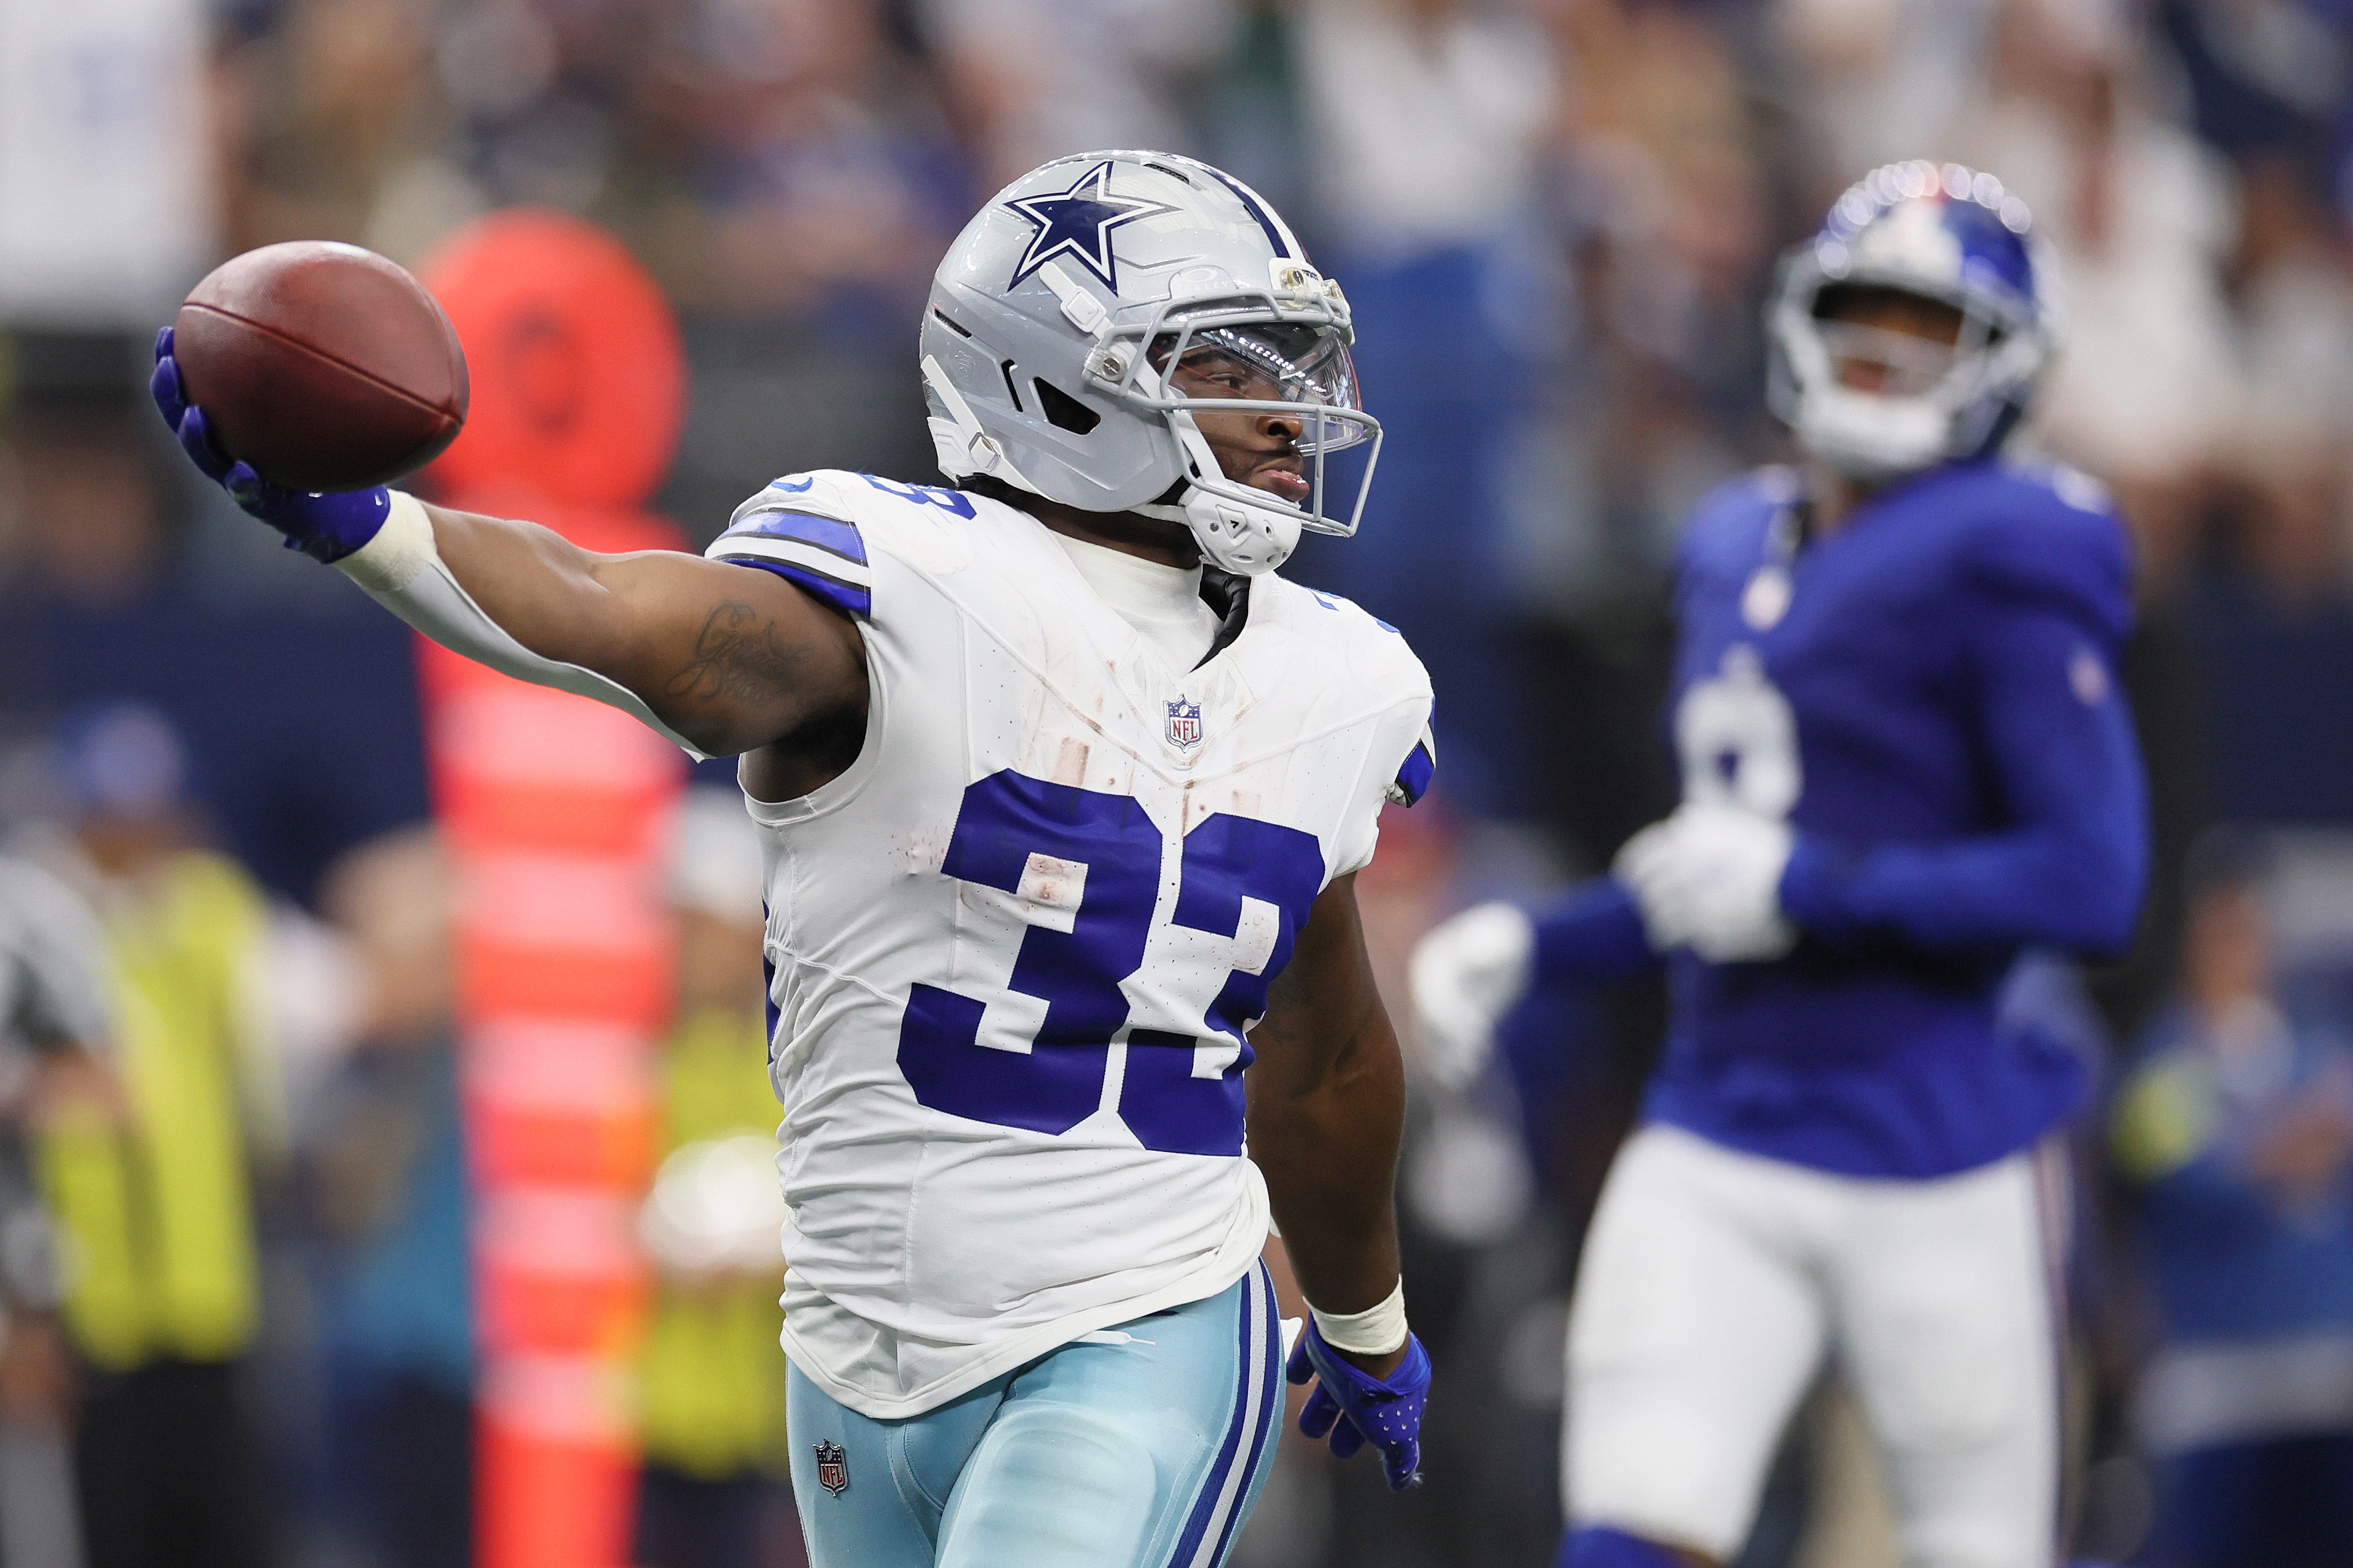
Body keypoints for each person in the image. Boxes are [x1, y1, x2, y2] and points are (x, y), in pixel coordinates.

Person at [151, 150, 1435, 1567]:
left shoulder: (1338, 678)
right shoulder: (911, 589)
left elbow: (1318, 1046)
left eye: (1302, 364)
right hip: (853, 1356)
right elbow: (616, 613)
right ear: (1062, 379)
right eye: (1229, 363)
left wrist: (1365, 1317)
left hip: (1145, 1317)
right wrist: (375, 529)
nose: (1292, 413)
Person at [1412, 161, 2149, 1568]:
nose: (1880, 352)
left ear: (2000, 366)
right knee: (1627, 1530)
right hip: (1718, 1129)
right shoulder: (1728, 537)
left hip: (1936, 1151)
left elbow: (2088, 880)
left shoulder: (2009, 544)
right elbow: (1716, 868)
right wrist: (1538, 943)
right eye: (1863, 312)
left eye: (1925, 328)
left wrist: (1808, 886)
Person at [2111, 848, 2353, 1568]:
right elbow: (2184, 1177)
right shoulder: (2158, 1063)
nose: (2236, 949)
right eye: (2220, 932)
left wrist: (2274, 1141)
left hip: (2324, 1375)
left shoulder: (2314, 1045)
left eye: (2248, 931)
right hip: (2213, 1385)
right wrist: (2291, 1141)